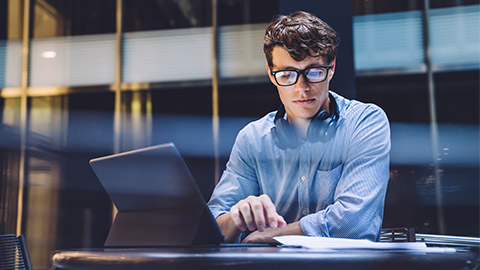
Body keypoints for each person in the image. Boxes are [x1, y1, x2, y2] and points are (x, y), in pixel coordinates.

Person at [207, 11, 390, 243]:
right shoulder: (252, 139)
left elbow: (354, 223)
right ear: (271, 75)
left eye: (313, 72)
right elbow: (212, 226)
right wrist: (236, 216)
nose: (301, 88)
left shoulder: (365, 123)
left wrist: (269, 236)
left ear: (331, 68)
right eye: (287, 74)